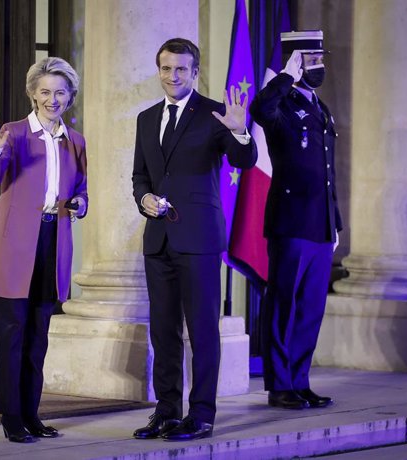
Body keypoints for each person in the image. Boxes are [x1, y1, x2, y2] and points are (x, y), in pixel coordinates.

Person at [131, 38, 257, 441]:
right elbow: (141, 176)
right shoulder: (147, 118)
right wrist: (144, 198)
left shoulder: (214, 115)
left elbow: (243, 161)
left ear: (195, 72)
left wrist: (241, 134)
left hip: (200, 240)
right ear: (159, 70)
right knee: (162, 331)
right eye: (166, 69)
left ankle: (201, 415)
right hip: (159, 242)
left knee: (202, 332)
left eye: (181, 69)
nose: (173, 76)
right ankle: (167, 411)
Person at [0, 57, 88, 443]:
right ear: (33, 94)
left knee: (39, 335)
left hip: (52, 244)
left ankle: (31, 413)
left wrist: (80, 204)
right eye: (45, 92)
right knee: (12, 333)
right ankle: (11, 417)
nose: (52, 99)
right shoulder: (12, 133)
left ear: (70, 97)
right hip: (13, 249)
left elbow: (80, 191)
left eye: (60, 92)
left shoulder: (75, 141)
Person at [251, 30, 342, 410]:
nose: (319, 66)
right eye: (311, 60)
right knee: (284, 304)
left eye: (321, 59)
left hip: (320, 224)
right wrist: (284, 77)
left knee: (310, 307)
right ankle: (280, 384)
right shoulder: (281, 103)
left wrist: (334, 222)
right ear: (295, 62)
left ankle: (301, 380)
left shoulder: (320, 106)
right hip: (290, 222)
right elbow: (258, 111)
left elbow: (327, 171)